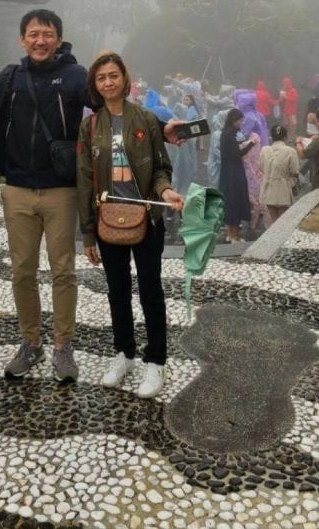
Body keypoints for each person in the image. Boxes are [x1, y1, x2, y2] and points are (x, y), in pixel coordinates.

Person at [0, 9, 88, 384]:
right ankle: (31, 342)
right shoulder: (11, 76)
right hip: (18, 189)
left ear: (59, 39)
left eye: (48, 34)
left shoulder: (75, 76)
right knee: (22, 270)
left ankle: (63, 346)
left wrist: (158, 128)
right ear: (22, 39)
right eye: (34, 34)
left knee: (63, 270)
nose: (40, 40)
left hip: (61, 190)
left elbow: (112, 104)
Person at [77, 51, 183, 398]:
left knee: (151, 290)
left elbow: (161, 168)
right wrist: (88, 232)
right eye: (101, 77)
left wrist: (165, 191)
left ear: (125, 79)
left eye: (113, 75)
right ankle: (124, 353)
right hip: (109, 220)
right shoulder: (90, 125)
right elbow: (85, 179)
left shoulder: (146, 118)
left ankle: (156, 360)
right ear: (95, 84)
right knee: (117, 291)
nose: (108, 82)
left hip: (146, 218)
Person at [218, 108, 253, 242]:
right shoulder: (230, 135)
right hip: (234, 173)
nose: (240, 123)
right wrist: (250, 145)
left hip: (226, 172)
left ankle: (230, 234)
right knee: (236, 201)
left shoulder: (225, 133)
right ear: (233, 120)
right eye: (239, 120)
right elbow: (236, 155)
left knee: (229, 202)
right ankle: (235, 236)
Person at [258, 124, 300, 223]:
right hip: (284, 188)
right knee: (282, 221)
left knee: (273, 219)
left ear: (272, 137)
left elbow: (261, 167)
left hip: (268, 187)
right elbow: (295, 171)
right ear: (285, 137)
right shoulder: (291, 151)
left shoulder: (264, 150)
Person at [171, 93, 199, 195]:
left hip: (188, 142)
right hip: (179, 142)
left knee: (186, 165)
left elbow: (195, 128)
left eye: (187, 100)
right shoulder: (179, 110)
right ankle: (176, 187)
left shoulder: (193, 112)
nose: (184, 101)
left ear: (191, 101)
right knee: (178, 165)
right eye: (183, 99)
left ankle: (184, 189)